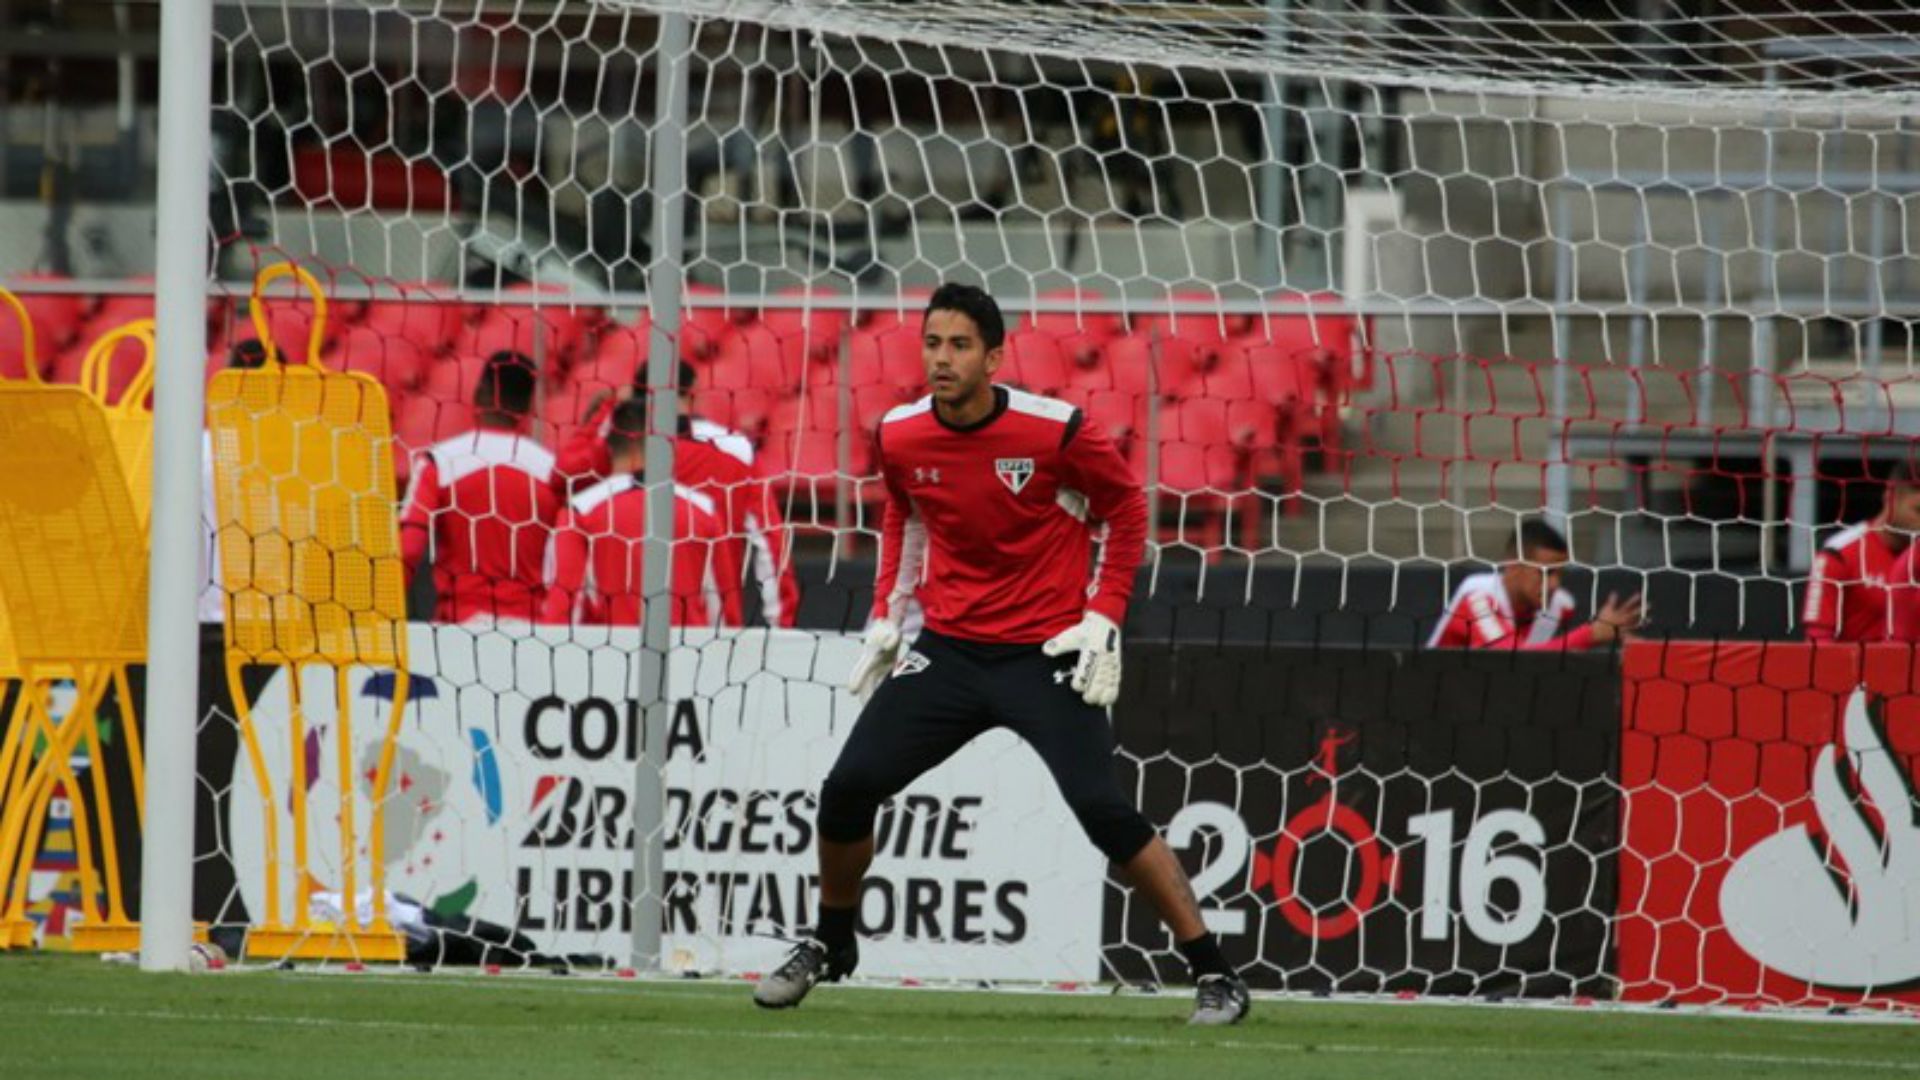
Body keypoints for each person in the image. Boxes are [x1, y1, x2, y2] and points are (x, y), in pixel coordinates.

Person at [750, 283, 1250, 1026]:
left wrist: (1103, 615)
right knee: (847, 789)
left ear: (993, 356)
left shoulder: (1055, 431)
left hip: (1044, 653)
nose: (941, 359)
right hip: (948, 652)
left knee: (1101, 810)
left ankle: (1216, 974)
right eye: (931, 344)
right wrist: (890, 611)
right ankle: (831, 940)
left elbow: (1127, 508)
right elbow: (901, 511)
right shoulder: (900, 433)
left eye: (957, 346)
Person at [556, 358, 799, 627]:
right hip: (704, 633)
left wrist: (608, 408)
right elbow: (770, 543)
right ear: (693, 393)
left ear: (637, 394)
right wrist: (781, 626)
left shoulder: (619, 445)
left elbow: (564, 474)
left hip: (611, 634)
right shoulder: (735, 450)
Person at [540, 398, 742, 626]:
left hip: (606, 656)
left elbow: (561, 615)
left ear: (608, 448)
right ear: (668, 448)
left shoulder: (579, 512)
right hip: (686, 657)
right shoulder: (704, 510)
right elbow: (726, 618)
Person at [399, 351, 560, 623]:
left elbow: (410, 549)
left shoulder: (439, 462)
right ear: (529, 407)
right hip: (531, 634)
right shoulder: (553, 471)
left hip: (457, 630)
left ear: (479, 394)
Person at [1427, 518, 1642, 650]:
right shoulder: (1477, 598)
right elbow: (1509, 660)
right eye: (1544, 573)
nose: (1554, 584)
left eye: (1559, 573)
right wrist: (1590, 635)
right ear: (1512, 565)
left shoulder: (1561, 607)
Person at [1809, 460, 1920, 642]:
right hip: (1853, 669)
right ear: (1890, 498)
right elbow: (1817, 640)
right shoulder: (1840, 552)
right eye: (1919, 511)